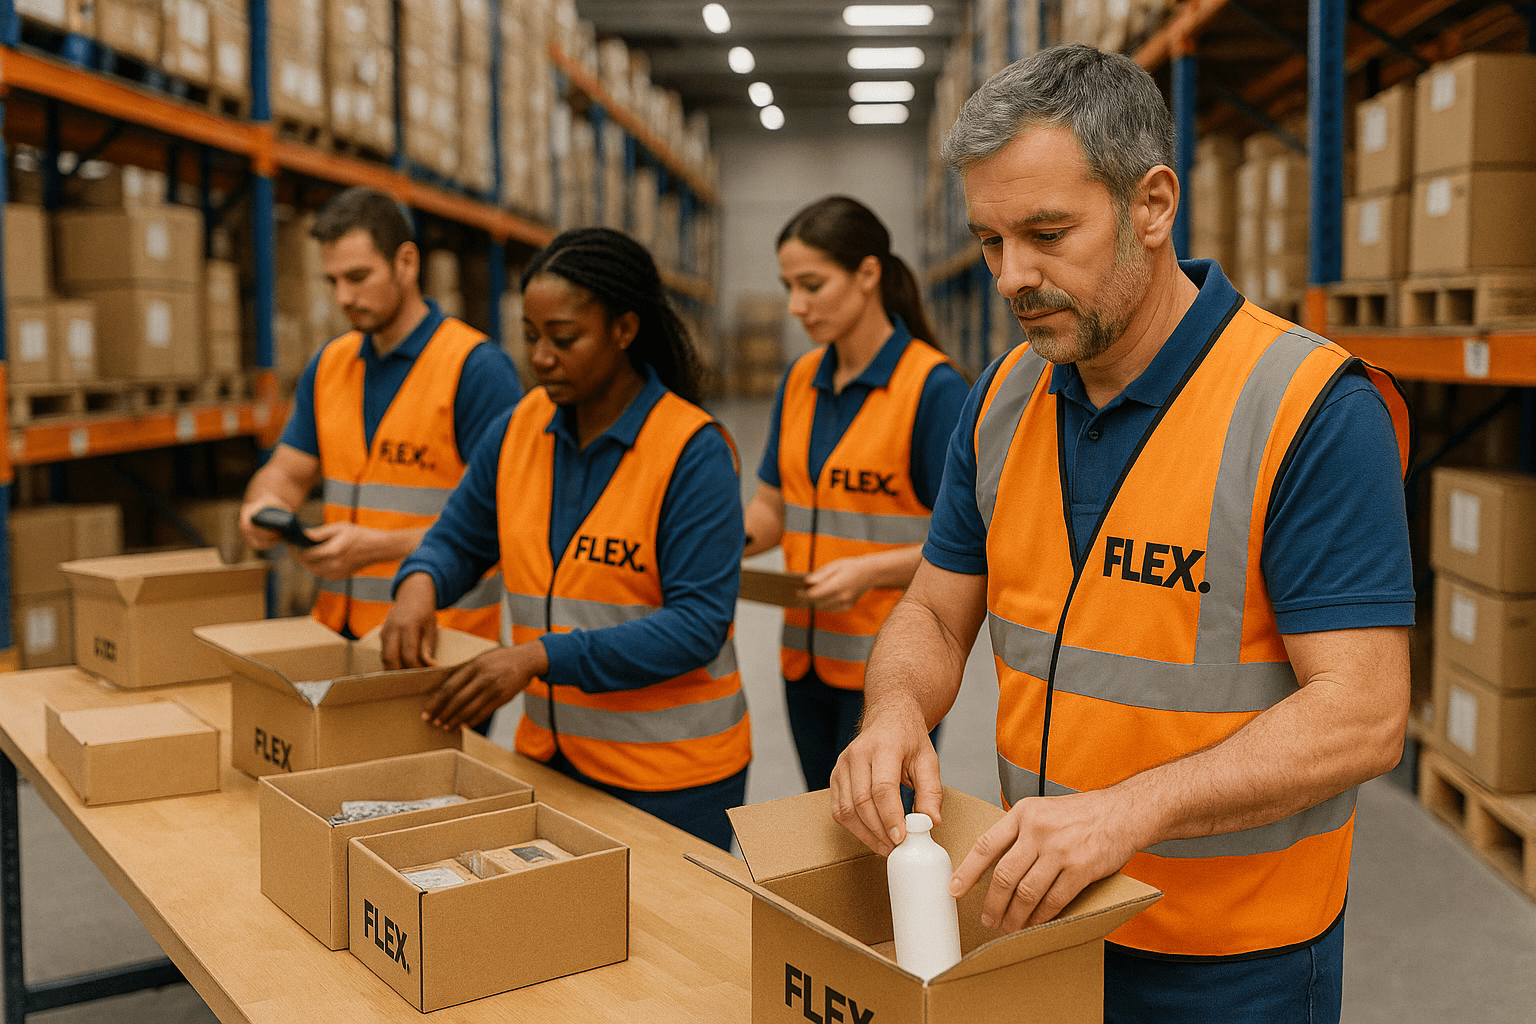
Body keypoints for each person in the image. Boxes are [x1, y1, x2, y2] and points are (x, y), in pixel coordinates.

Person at [829, 45, 1413, 1024]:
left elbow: (1363, 712)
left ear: (1152, 204)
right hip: (1041, 922)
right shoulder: (1000, 403)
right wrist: (893, 713)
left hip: (1233, 958)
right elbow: (935, 610)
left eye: (1048, 233)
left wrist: (1128, 811)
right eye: (989, 241)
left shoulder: (1305, 406)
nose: (1013, 276)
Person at [380, 227, 751, 850]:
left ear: (624, 330)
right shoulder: (519, 430)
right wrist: (419, 585)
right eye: (530, 338)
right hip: (553, 762)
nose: (542, 358)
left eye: (564, 339)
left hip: (674, 779)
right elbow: (459, 538)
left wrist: (538, 658)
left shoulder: (691, 452)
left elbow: (698, 624)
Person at [742, 196, 968, 793]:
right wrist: (720, 543)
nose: (796, 306)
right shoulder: (800, 381)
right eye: (788, 286)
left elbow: (973, 547)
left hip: (892, 671)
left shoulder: (931, 389)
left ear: (868, 274)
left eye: (812, 285)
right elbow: (772, 506)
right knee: (823, 820)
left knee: (880, 838)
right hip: (805, 659)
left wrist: (870, 571)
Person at [239, 187, 520, 651]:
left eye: (358, 276)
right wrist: (262, 507)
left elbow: (506, 519)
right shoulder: (330, 365)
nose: (344, 297)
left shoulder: (475, 370)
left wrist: (378, 547)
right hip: (341, 641)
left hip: (440, 645)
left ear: (406, 263)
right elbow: (286, 472)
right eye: (333, 282)